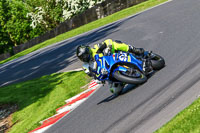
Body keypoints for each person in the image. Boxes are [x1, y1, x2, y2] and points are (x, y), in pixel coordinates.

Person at [76, 39, 150, 80]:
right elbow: (92, 75)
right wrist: (97, 79)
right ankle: (124, 78)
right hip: (107, 73)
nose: (84, 57)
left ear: (88, 51)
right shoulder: (85, 66)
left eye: (85, 55)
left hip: (112, 57)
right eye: (82, 57)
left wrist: (108, 47)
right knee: (115, 91)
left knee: (115, 44)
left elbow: (107, 41)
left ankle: (133, 49)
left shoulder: (95, 49)